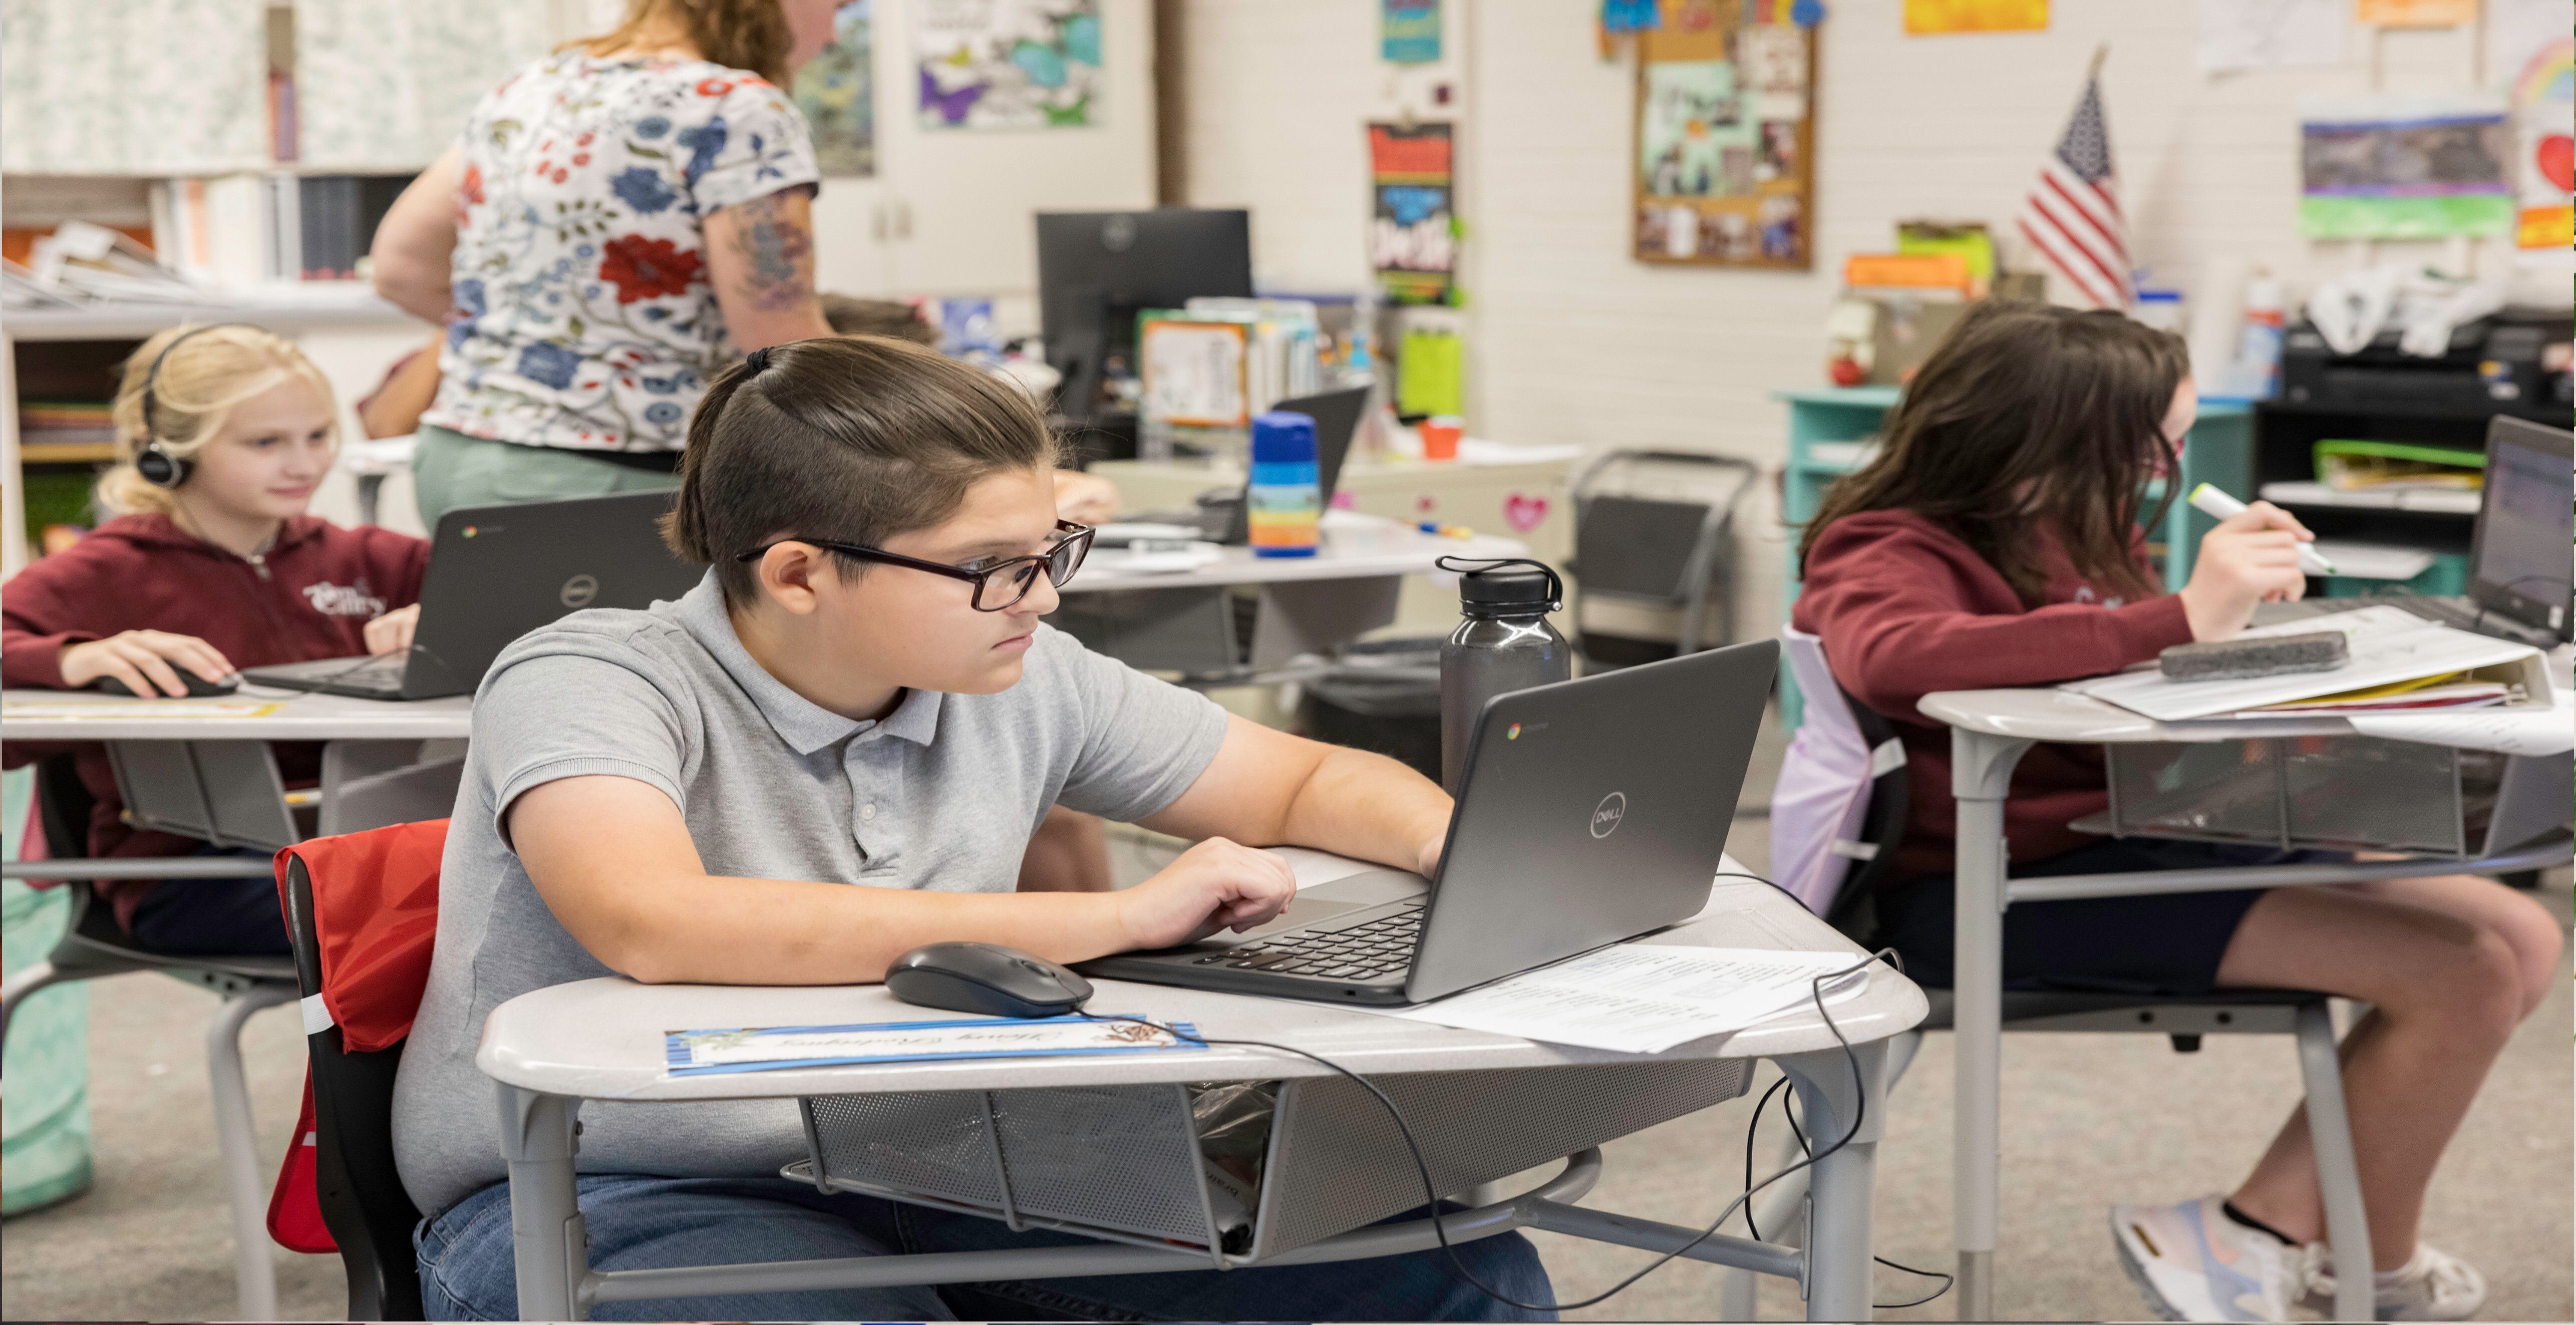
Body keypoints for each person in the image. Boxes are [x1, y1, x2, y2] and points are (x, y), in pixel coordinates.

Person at [392, 335, 1553, 1321]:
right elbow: (654, 921)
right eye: (994, 569)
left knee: (1453, 1276)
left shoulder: (1014, 665)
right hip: (615, 1181)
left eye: (1050, 552)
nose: (1042, 598)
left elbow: (1299, 784)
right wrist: (1108, 918)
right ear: (798, 572)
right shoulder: (587, 676)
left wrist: (1452, 844)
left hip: (947, 1158)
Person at [1792, 300, 2558, 1323]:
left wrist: (2248, 636)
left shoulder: (2075, 526)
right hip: (1984, 888)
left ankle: (2344, 1258)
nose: (2167, 471)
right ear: (2055, 437)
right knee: (2463, 973)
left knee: (2522, 932)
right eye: (2155, 447)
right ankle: (2265, 1237)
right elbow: (1894, 657)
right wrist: (2190, 615)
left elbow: (2131, 677)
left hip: (2125, 833)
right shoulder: (1884, 543)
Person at [0, 324, 428, 954]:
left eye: (317, 436)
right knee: (436, 928)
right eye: (265, 442)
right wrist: (70, 657)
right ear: (165, 449)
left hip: (361, 841)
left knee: (495, 898)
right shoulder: (104, 571)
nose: (304, 463)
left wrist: (440, 619)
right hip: (194, 872)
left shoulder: (361, 557)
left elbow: (517, 597)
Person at [370, 0, 842, 526]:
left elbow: (400, 268)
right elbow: (779, 334)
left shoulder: (534, 89)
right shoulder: (738, 109)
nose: (833, 35)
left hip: (459, 459)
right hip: (613, 475)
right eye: (837, 7)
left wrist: (549, 338)